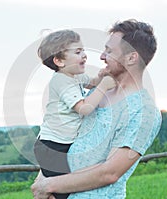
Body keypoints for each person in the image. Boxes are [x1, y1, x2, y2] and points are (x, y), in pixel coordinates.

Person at [31, 19, 162, 199]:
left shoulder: (144, 111)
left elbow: (110, 172)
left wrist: (48, 185)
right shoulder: (97, 92)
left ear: (132, 58)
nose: (101, 56)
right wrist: (43, 181)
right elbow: (65, 138)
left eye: (109, 51)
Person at [33, 30, 116, 199]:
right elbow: (84, 108)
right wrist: (104, 86)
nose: (84, 55)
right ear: (59, 61)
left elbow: (91, 83)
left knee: (66, 189)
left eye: (83, 50)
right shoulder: (61, 81)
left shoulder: (74, 76)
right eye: (78, 52)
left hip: (62, 145)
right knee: (64, 191)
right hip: (52, 147)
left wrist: (100, 77)